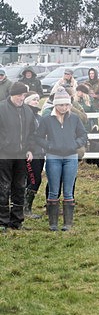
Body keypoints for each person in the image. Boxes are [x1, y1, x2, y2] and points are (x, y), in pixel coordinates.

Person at [35, 87, 87, 231]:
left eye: (66, 105)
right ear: (55, 105)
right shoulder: (47, 119)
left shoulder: (74, 119)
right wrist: (50, 145)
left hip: (71, 157)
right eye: (61, 105)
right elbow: (38, 137)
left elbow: (83, 135)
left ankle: (67, 223)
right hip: (53, 157)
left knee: (68, 191)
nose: (64, 108)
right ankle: (53, 223)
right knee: (53, 189)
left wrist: (74, 144)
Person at [0, 82, 37, 231]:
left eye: (23, 95)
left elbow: (32, 133)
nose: (22, 98)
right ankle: (2, 221)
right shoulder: (1, 109)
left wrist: (29, 149)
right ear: (12, 95)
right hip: (4, 155)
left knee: (20, 187)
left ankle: (17, 221)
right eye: (19, 95)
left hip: (21, 156)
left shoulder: (27, 111)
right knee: (3, 187)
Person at [23, 93, 45, 219]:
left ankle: (24, 207)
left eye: (37, 99)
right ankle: (25, 209)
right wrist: (28, 149)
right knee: (34, 179)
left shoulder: (38, 117)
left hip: (40, 152)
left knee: (34, 179)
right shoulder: (25, 115)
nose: (36, 101)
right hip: (31, 153)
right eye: (34, 99)